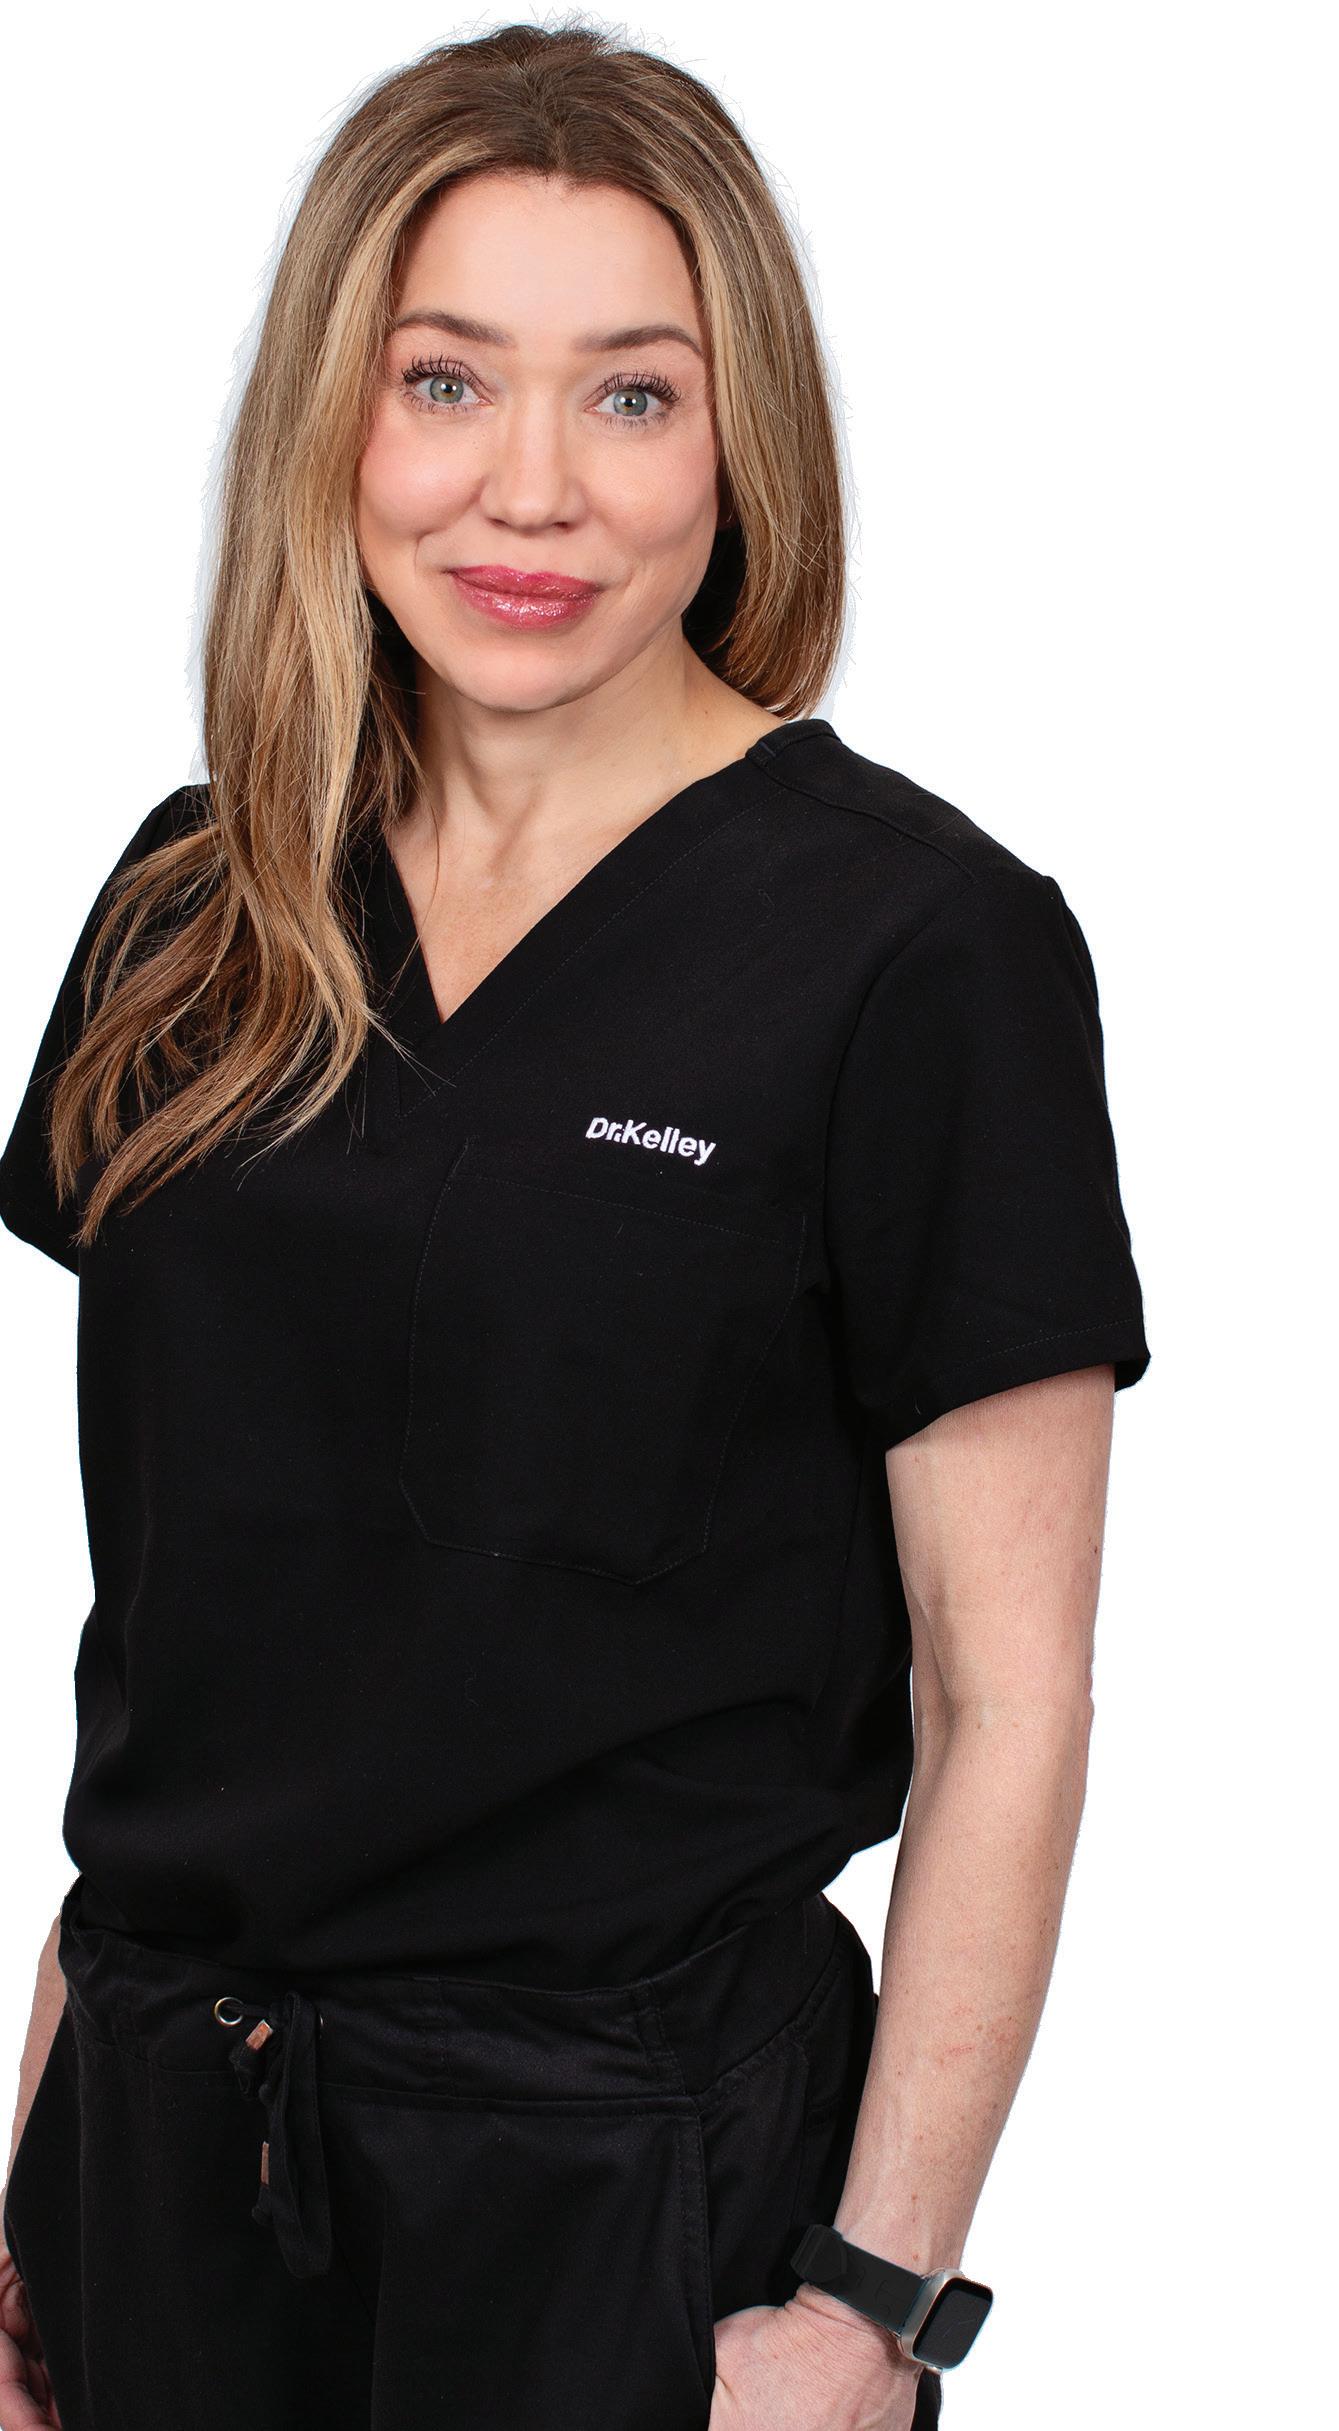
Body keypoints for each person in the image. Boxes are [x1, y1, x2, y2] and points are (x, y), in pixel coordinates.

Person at [0, 21, 1151, 2431]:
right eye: (445, 381)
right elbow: (178, 1653)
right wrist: (26, 2219)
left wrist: (873, 2305)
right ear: (334, 418)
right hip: (160, 2160)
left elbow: (1007, 1691)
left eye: (633, 395)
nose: (531, 488)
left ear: (743, 444)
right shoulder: (199, 906)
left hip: (623, 2190)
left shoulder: (919, 953)